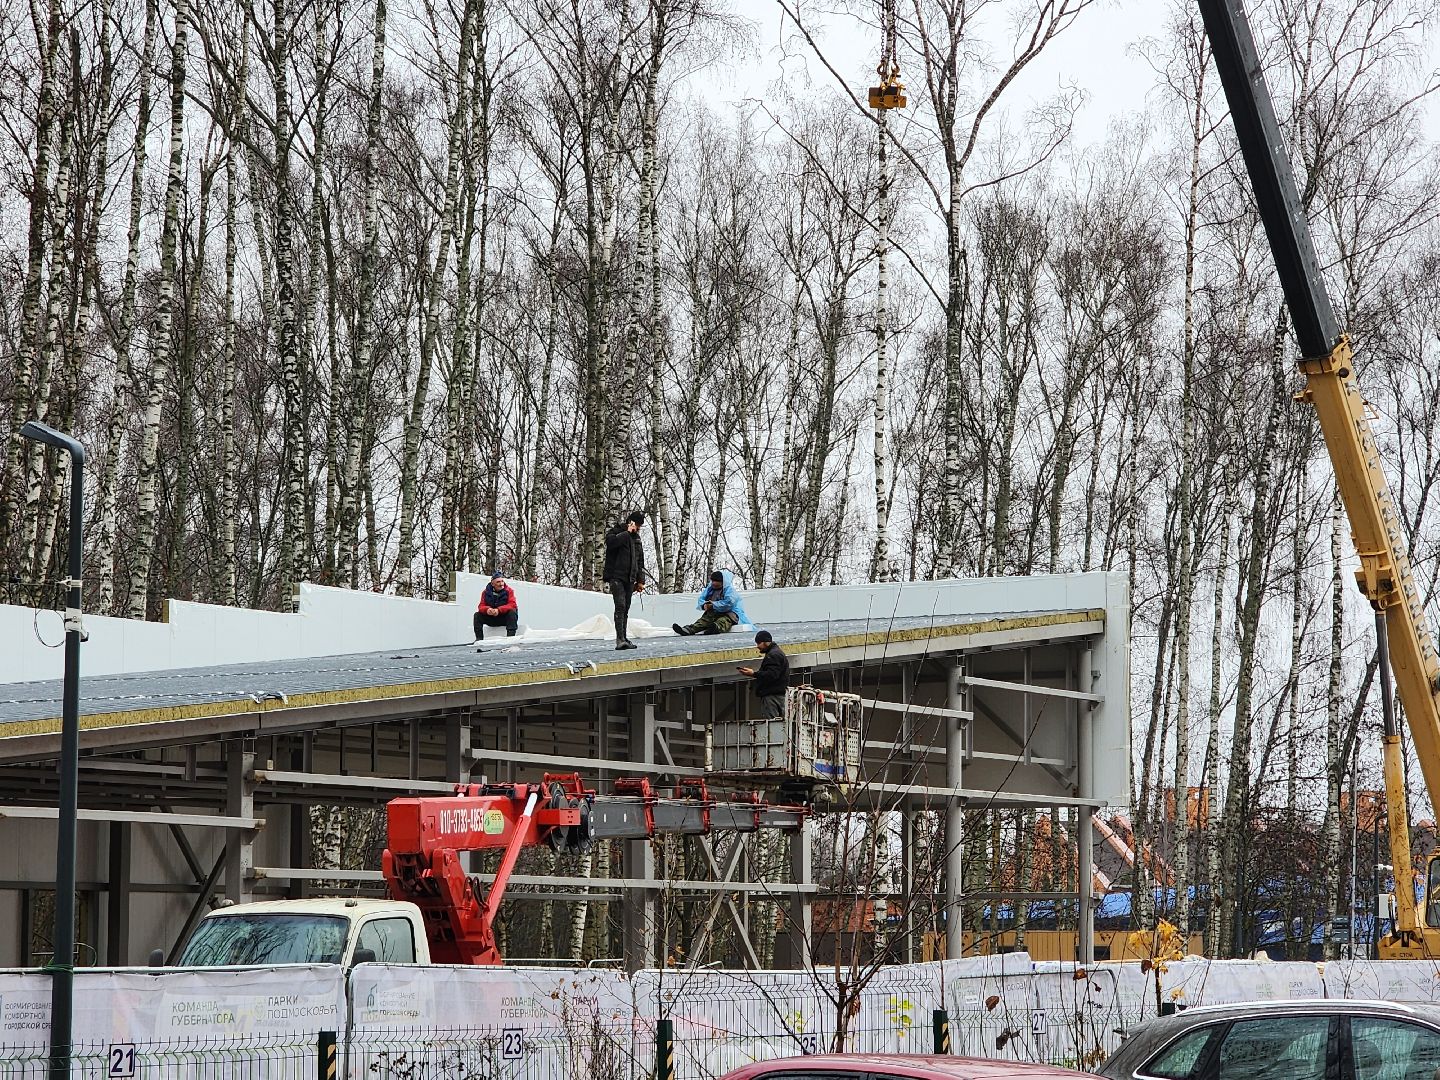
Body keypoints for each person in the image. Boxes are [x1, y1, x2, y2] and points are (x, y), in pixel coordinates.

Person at [602, 510, 646, 650]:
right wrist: (627, 532)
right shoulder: (617, 531)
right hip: (616, 576)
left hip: (630, 578)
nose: (638, 528)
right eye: (637, 525)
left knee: (625, 608)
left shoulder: (637, 539)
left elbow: (640, 561)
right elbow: (611, 543)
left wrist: (640, 580)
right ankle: (619, 639)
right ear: (630, 522)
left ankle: (624, 637)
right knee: (620, 606)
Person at [674, 569, 750, 636]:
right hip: (712, 614)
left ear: (722, 582)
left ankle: (715, 628)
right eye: (712, 581)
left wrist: (713, 605)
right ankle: (688, 630)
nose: (713, 583)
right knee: (703, 621)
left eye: (716, 581)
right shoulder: (710, 590)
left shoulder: (729, 590)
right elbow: (701, 599)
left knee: (723, 622)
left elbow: (729, 603)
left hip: (729, 614)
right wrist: (704, 605)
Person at [737, 630, 789, 718]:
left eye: (758, 643)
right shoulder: (777, 653)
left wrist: (753, 674)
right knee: (782, 724)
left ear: (765, 642)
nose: (757, 646)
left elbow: (771, 675)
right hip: (780, 695)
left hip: (772, 696)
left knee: (772, 724)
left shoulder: (772, 655)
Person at [474, 572, 518, 639]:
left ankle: (510, 637)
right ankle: (479, 639)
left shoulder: (509, 591)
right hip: (491, 618)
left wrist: (499, 610)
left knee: (513, 612)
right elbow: (481, 606)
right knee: (477, 615)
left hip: (504, 618)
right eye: (498, 582)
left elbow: (512, 604)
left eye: (502, 581)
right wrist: (487, 610)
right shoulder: (485, 592)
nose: (501, 584)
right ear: (492, 584)